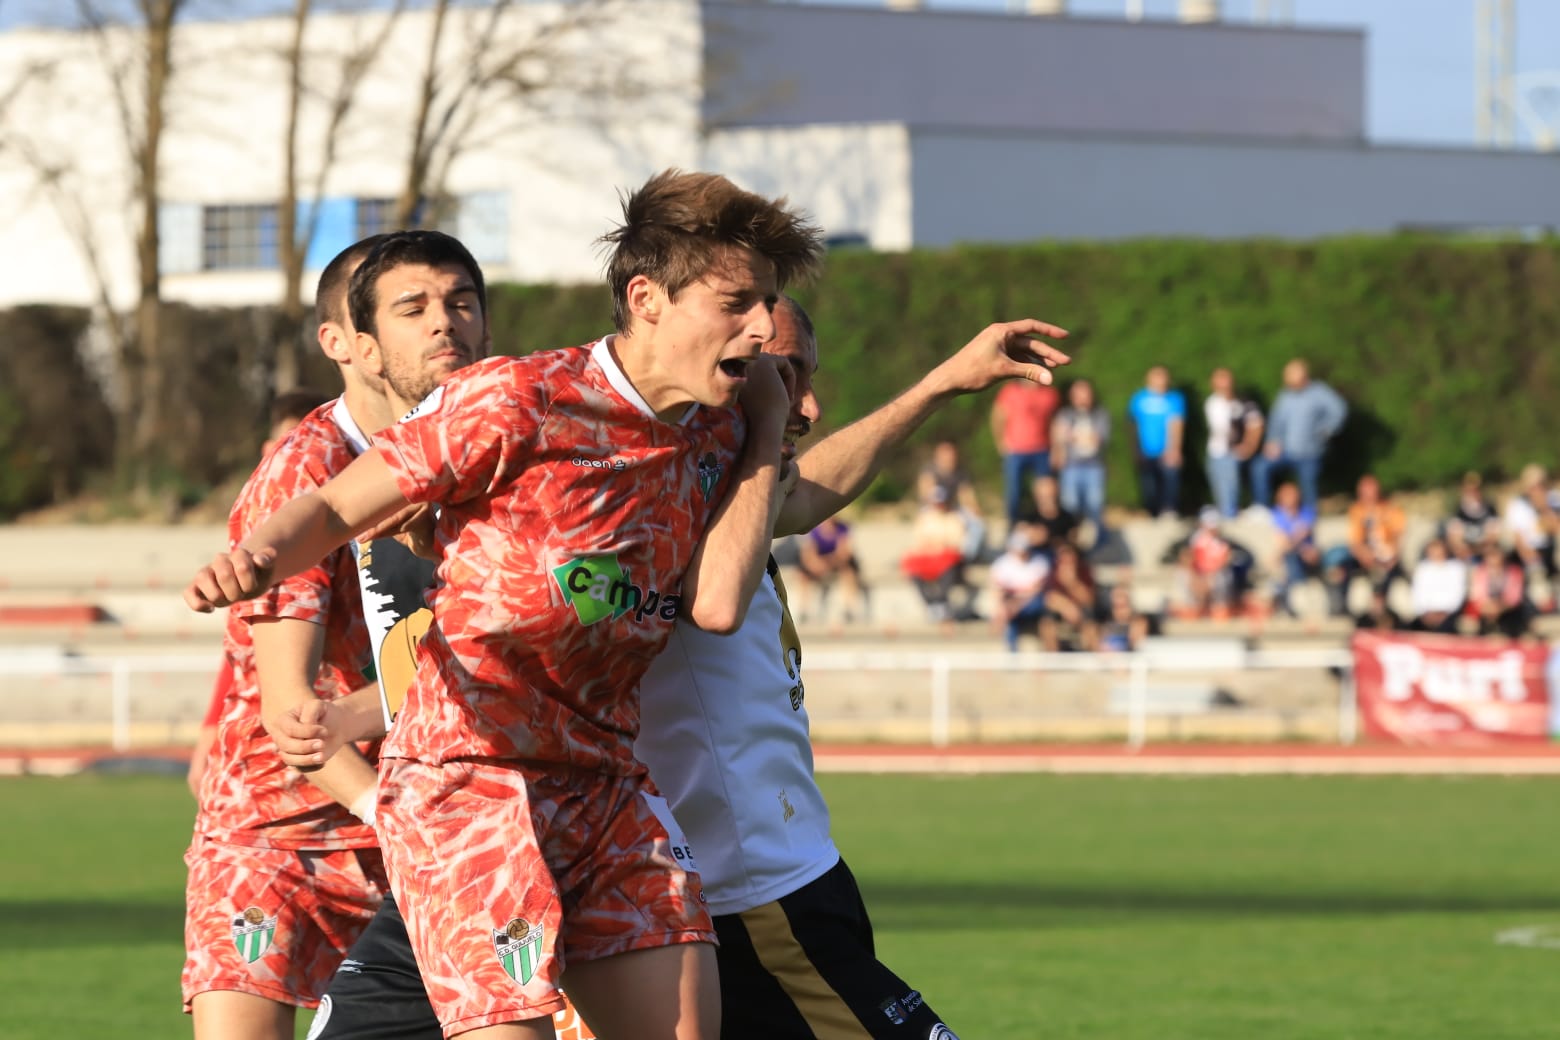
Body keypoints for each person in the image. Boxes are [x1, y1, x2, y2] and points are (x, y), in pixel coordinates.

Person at [272, 296, 1072, 1040]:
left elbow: (807, 495)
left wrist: (939, 384)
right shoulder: (649, 490)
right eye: (777, 372)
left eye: (803, 375)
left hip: (787, 874)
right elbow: (513, 638)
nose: (799, 402)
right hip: (729, 893)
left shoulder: (731, 488)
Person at [185, 170, 828, 1040]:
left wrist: (767, 427)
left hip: (606, 784)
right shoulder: (518, 400)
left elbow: (719, 597)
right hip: (470, 781)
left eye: (768, 304)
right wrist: (257, 557)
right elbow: (340, 506)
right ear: (646, 298)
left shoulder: (717, 433)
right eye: (738, 303)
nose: (761, 328)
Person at [183, 233, 485, 1039]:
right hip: (277, 840)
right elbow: (294, 717)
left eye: (455, 304)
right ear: (350, 341)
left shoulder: (475, 450)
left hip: (412, 822)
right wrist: (387, 811)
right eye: (406, 308)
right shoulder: (303, 473)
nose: (439, 326)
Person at [186, 387, 332, 798]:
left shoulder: (340, 526)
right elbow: (243, 648)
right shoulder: (258, 526)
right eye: (289, 442)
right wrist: (211, 729)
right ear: (269, 446)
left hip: (340, 743)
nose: (298, 455)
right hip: (263, 769)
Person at [1249, 358, 1347, 510]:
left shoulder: (1319, 391)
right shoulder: (1285, 396)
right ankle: (1262, 507)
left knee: (1309, 490)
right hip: (1286, 451)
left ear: (1304, 376)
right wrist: (1272, 441)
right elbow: (1276, 421)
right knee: (1260, 467)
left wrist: (1326, 431)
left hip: (1310, 452)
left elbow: (1339, 410)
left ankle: (1309, 519)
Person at [1323, 474, 1407, 618]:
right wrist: (1365, 555)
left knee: (1389, 572)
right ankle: (1342, 607)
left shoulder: (1391, 509)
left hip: (1386, 555)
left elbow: (1398, 536)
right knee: (1344, 567)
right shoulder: (1356, 511)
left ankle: (1382, 608)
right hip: (1365, 556)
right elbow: (1355, 541)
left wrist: (1390, 554)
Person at [990, 369, 1061, 528]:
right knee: (1014, 492)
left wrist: (1056, 448)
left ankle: (1046, 526)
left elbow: (1054, 423)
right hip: (1016, 450)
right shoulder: (1010, 392)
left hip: (1042, 449)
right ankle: (1014, 526)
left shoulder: (1050, 394)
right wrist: (1001, 441)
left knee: (1046, 494)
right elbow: (997, 416)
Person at [1202, 366, 1263, 519]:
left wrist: (1248, 446)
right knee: (1219, 486)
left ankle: (1230, 516)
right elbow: (1220, 427)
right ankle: (1225, 514)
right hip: (1215, 451)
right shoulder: (1212, 403)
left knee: (1230, 486)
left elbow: (1256, 424)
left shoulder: (1243, 402)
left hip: (1231, 452)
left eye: (1225, 379)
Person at [1050, 378, 1110, 528]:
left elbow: (1098, 440)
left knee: (1095, 505)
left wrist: (1072, 436)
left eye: (1085, 393)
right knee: (1070, 506)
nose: (1082, 398)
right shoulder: (1064, 414)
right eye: (1078, 394)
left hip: (1094, 466)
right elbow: (1058, 437)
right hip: (1071, 466)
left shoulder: (1100, 414)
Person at [1126, 364, 1185, 519]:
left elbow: (1176, 424)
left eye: (1163, 376)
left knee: (1170, 483)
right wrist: (1136, 450)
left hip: (1167, 450)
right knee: (1149, 486)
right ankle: (1152, 513)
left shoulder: (1174, 399)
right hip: (1146, 451)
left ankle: (1169, 511)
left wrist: (1175, 449)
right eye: (1156, 376)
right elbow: (1133, 425)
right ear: (1148, 378)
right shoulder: (1139, 399)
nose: (1161, 380)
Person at [793, 514, 869, 624]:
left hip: (837, 565)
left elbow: (845, 553)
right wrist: (818, 564)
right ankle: (803, 610)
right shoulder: (814, 531)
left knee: (848, 573)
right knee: (802, 575)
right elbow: (808, 555)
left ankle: (849, 608)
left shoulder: (843, 529)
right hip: (821, 564)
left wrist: (828, 563)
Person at [918, 439, 987, 560]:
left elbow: (966, 494)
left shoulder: (960, 472)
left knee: (977, 524)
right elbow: (926, 492)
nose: (950, 458)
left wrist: (975, 509)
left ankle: (968, 555)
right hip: (934, 507)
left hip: (953, 506)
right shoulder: (930, 471)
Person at [989, 524, 1051, 652]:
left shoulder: (1040, 562)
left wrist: (1016, 604)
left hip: (1032, 602)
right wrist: (1002, 607)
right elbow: (998, 589)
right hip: (1012, 603)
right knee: (1009, 614)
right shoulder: (1002, 563)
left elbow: (1036, 590)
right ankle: (1012, 651)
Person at [1266, 480, 1321, 619]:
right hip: (1294, 554)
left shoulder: (1307, 512)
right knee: (1290, 557)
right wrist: (1295, 546)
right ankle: (1296, 593)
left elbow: (1301, 534)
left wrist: (1282, 551)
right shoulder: (1277, 514)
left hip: (1308, 557)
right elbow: (1284, 540)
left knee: (1291, 556)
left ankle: (1289, 597)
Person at [1040, 541, 1098, 651]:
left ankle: (1093, 657)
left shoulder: (1084, 571)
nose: (1066, 563)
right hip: (1061, 613)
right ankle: (1052, 658)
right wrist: (1067, 607)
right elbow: (1050, 598)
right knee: (1047, 625)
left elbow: (1089, 600)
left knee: (1090, 625)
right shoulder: (1053, 573)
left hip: (1082, 613)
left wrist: (1073, 584)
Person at [1407, 535, 1467, 634]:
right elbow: (1418, 593)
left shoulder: (1455, 568)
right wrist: (1425, 613)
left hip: (1448, 615)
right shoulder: (1423, 569)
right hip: (1425, 614)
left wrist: (1443, 614)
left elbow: (1457, 594)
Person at [1443, 470, 1499, 562]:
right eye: (1470, 490)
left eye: (1476, 489)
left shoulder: (1490, 509)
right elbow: (1455, 539)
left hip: (1484, 555)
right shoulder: (1458, 510)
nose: (1473, 493)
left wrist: (1478, 550)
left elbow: (1492, 538)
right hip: (1463, 555)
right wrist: (1467, 552)